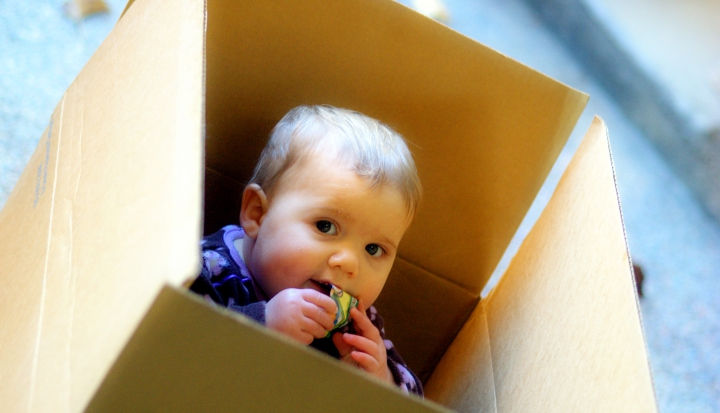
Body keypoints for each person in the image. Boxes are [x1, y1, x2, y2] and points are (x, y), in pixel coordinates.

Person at [189, 105, 423, 396]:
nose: (350, 264)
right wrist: (260, 323)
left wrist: (380, 379)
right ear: (258, 214)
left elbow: (413, 401)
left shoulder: (356, 326)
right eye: (325, 226)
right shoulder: (207, 269)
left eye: (373, 249)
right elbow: (165, 347)